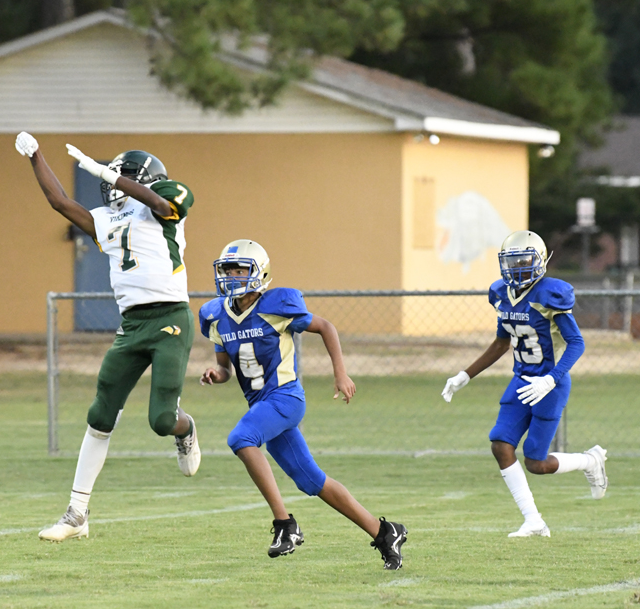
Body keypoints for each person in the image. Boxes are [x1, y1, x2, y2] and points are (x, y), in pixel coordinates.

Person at [15, 132, 201, 542]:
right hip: (132, 324)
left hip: (170, 317)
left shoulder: (168, 198)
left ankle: (184, 429)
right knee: (100, 416)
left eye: (122, 176)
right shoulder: (107, 218)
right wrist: (36, 157)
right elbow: (61, 203)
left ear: (145, 177)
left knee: (161, 420)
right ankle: (77, 514)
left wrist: (102, 171)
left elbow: (158, 202)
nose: (112, 183)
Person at [198, 239, 408, 568]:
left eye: (240, 270)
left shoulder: (276, 304)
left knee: (241, 439)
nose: (232, 277)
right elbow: (226, 368)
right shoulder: (215, 315)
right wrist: (216, 373)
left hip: (286, 397)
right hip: (261, 404)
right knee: (311, 480)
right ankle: (384, 532)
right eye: (227, 271)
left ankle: (285, 525)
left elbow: (325, 326)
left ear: (259, 272)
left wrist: (340, 374)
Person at [442, 230, 608, 537]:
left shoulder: (549, 294)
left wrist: (550, 379)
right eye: (512, 261)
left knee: (536, 462)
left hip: (549, 384)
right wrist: (464, 375)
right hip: (521, 381)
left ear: (541, 261)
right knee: (501, 445)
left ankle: (590, 460)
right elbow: (500, 344)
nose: (517, 268)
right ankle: (533, 521)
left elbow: (576, 343)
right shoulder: (501, 293)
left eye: (524, 260)